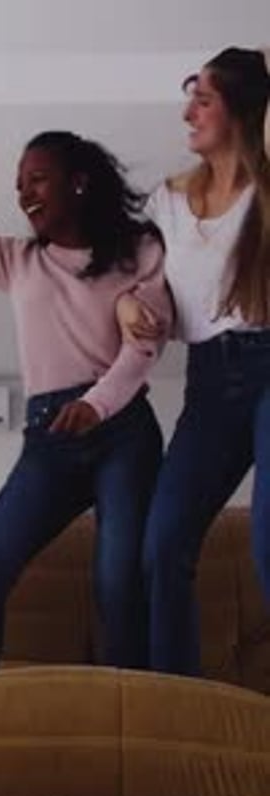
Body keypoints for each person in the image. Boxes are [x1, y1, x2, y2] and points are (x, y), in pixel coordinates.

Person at [0, 130, 172, 674]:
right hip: (50, 438)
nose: (24, 193)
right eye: (19, 184)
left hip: (122, 434)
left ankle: (133, 708)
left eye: (37, 178)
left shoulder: (141, 251)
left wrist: (97, 404)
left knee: (117, 579)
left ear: (78, 183)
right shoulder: (18, 261)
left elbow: (145, 346)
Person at [120, 47, 270, 675]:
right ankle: (174, 701)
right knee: (162, 544)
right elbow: (130, 279)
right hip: (211, 384)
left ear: (241, 110)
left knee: (268, 541)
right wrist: (127, 302)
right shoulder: (168, 201)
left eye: (203, 97)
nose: (188, 112)